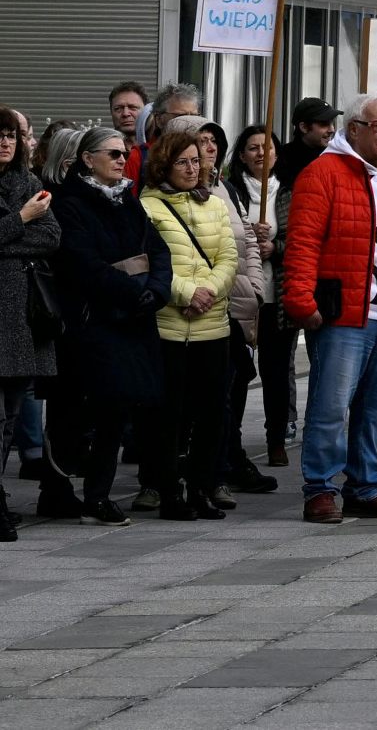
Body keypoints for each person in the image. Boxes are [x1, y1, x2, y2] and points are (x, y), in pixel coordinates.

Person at [283, 96, 377, 523]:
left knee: (376, 410)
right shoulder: (323, 174)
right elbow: (303, 242)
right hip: (347, 313)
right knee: (331, 406)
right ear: (354, 129)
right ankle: (320, 488)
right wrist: (299, 299)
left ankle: (365, 487)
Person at [49, 127, 171, 524]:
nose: (122, 160)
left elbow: (157, 249)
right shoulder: (70, 204)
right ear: (88, 159)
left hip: (136, 317)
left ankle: (99, 492)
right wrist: (131, 291)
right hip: (98, 321)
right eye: (113, 154)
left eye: (124, 153)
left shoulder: (128, 199)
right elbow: (82, 263)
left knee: (123, 410)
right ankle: (83, 493)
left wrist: (156, 290)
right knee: (96, 409)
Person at [135, 127, 238, 522]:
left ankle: (201, 487)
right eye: (183, 162)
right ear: (165, 164)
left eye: (198, 161)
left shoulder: (214, 204)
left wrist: (210, 289)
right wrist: (185, 293)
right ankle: (169, 490)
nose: (193, 168)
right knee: (168, 415)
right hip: (168, 327)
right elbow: (149, 264)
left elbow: (230, 256)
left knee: (213, 413)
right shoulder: (148, 206)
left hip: (213, 325)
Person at [0, 108, 61, 542]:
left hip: (22, 315)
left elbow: (52, 237)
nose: (5, 143)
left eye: (10, 136)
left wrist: (8, 239)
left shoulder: (28, 182)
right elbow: (32, 229)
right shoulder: (24, 198)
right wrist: (20, 220)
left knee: (11, 414)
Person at [224, 123, 291, 480]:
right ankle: (230, 438)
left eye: (267, 147)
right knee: (237, 371)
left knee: (277, 371)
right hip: (241, 295)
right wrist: (252, 238)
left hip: (276, 295)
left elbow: (300, 240)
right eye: (252, 148)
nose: (261, 154)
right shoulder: (230, 192)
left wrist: (274, 247)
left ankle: (277, 437)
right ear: (242, 155)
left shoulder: (287, 193)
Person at [274, 98, 339, 190]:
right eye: (324, 124)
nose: (332, 129)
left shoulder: (336, 158)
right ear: (304, 127)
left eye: (332, 123)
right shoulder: (280, 160)